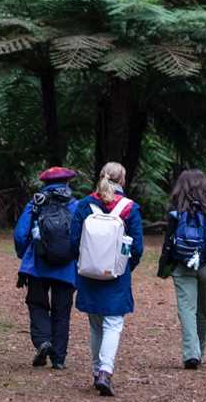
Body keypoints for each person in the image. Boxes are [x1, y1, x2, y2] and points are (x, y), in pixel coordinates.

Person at [69, 162, 144, 397]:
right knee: (113, 323)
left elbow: (73, 242)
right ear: (122, 180)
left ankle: (95, 371)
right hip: (116, 276)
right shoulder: (129, 208)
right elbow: (138, 248)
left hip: (89, 273)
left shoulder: (84, 205)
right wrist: (123, 267)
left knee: (95, 323)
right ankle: (105, 371)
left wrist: (84, 262)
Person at [158, 169, 206, 370]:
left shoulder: (175, 209)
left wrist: (164, 265)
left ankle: (192, 353)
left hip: (182, 263)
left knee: (186, 309)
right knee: (203, 310)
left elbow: (169, 240)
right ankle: (200, 351)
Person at [13, 166, 79, 370]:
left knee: (37, 304)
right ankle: (58, 358)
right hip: (66, 267)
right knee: (62, 311)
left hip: (37, 265)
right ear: (68, 183)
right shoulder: (77, 205)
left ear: (45, 183)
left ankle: (42, 341)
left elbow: (20, 234)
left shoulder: (35, 203)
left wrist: (25, 254)